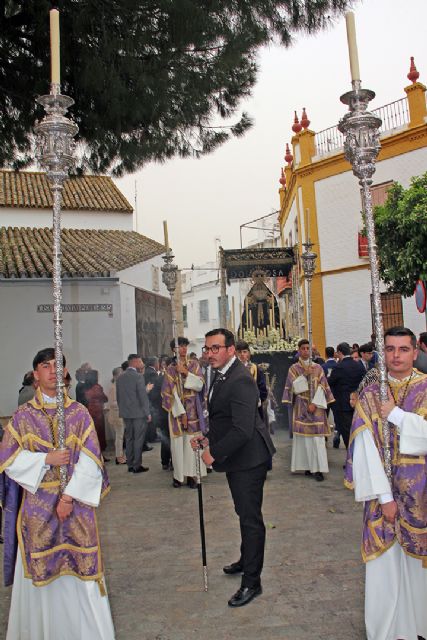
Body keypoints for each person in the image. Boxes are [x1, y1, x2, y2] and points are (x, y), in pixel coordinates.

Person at [0, 347, 114, 639]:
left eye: (58, 365)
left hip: (75, 508)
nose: (53, 370)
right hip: (37, 512)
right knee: (42, 577)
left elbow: (92, 462)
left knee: (81, 573)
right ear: (35, 374)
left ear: (65, 372)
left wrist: (67, 498)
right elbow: (8, 462)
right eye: (45, 365)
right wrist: (45, 460)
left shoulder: (79, 414)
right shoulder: (23, 417)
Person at [345, 326, 427, 640]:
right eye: (390, 349)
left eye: (403, 349)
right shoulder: (370, 393)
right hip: (385, 499)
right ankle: (388, 630)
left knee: (417, 567)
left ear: (415, 352)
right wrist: (384, 497)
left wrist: (396, 415)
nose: (396, 356)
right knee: (386, 565)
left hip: (421, 494)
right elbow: (365, 449)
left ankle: (419, 626)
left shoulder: (425, 386)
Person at [191, 328, 275, 607]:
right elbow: (223, 419)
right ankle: (245, 559)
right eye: (207, 348)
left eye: (215, 348)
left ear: (230, 349)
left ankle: (252, 582)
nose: (210, 354)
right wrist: (207, 437)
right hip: (238, 457)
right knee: (242, 512)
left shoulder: (240, 379)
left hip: (250, 459)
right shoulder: (222, 373)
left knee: (251, 519)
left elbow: (242, 429)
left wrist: (213, 453)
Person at [282, 339, 334, 481]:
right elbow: (293, 388)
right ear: (299, 350)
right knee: (304, 440)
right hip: (301, 406)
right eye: (303, 348)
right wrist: (304, 374)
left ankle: (318, 469)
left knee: (317, 440)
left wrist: (315, 404)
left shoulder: (318, 368)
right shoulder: (293, 368)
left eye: (308, 348)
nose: (306, 351)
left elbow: (323, 387)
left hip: (316, 407)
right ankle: (307, 467)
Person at [161, 337, 207, 488]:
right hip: (178, 412)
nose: (183, 349)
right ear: (174, 349)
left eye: (185, 346)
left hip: (193, 409)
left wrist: (186, 373)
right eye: (180, 346)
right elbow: (168, 393)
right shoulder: (170, 369)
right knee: (178, 446)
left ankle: (193, 476)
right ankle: (178, 477)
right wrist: (181, 414)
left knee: (191, 444)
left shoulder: (194, 364)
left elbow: (200, 385)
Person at [116, 354, 151, 474]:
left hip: (126, 413)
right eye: (140, 361)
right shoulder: (138, 377)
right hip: (138, 413)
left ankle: (130, 464)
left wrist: (122, 410)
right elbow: (142, 396)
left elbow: (118, 397)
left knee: (129, 438)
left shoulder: (120, 377)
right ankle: (137, 465)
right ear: (135, 362)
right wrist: (147, 412)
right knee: (138, 439)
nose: (142, 363)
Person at [328, 342, 364, 450]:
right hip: (357, 402)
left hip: (343, 403)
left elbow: (330, 382)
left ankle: (351, 457)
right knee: (358, 430)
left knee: (347, 431)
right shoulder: (359, 365)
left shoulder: (339, 367)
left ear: (339, 352)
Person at [235, 340, 268, 418]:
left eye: (244, 352)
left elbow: (262, 388)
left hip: (254, 407)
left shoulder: (255, 368)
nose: (242, 354)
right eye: (239, 352)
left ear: (249, 353)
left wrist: (257, 399)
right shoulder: (232, 369)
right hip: (237, 407)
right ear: (235, 354)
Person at [84, 370, 108, 455]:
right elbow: (104, 398)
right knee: (99, 433)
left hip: (89, 410)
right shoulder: (97, 387)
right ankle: (100, 453)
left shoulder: (85, 387)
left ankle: (94, 452)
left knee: (93, 433)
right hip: (97, 412)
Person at [105, 366, 126, 464]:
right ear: (116, 376)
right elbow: (112, 403)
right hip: (116, 415)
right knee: (119, 436)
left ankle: (120, 455)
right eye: (121, 374)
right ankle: (118, 457)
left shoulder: (118, 385)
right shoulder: (113, 387)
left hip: (120, 414)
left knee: (121, 436)